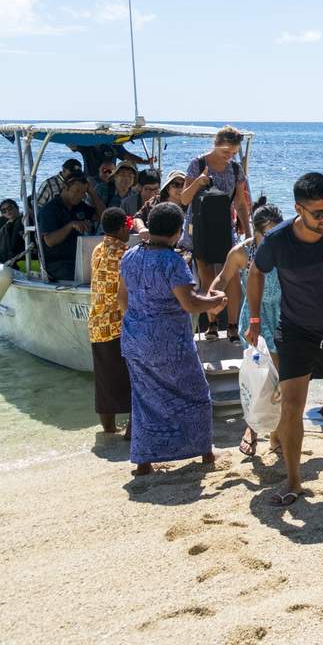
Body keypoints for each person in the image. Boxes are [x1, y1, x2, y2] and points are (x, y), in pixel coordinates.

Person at [245, 174, 323, 506]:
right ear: (299, 209)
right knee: (292, 405)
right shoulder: (278, 240)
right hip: (297, 331)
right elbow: (256, 272)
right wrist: (254, 319)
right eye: (318, 213)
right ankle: (293, 479)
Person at [117, 202, 227, 476]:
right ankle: (204, 452)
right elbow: (190, 303)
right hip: (169, 342)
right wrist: (215, 301)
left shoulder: (130, 256)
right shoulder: (173, 262)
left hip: (135, 338)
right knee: (196, 394)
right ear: (178, 232)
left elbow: (122, 300)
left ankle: (144, 462)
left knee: (145, 399)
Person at [210, 199, 285, 456]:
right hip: (254, 317)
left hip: (282, 315)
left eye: (276, 232)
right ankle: (252, 429)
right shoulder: (242, 253)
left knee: (278, 378)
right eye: (267, 234)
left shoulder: (286, 248)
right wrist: (213, 296)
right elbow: (223, 278)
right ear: (256, 231)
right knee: (258, 376)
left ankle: (274, 434)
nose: (272, 239)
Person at [180, 126, 252, 334]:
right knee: (207, 275)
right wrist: (198, 182)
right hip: (199, 226)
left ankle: (232, 326)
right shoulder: (198, 164)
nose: (229, 156)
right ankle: (212, 324)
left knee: (232, 275)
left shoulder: (236, 169)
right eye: (226, 151)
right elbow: (184, 199)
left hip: (224, 227)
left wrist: (248, 233)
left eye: (233, 153)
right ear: (216, 144)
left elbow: (240, 204)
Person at [89, 207, 133, 435]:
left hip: (97, 324)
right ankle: (132, 432)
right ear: (122, 228)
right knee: (133, 381)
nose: (130, 231)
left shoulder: (97, 249)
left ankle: (109, 431)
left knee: (105, 383)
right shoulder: (125, 254)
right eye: (128, 226)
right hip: (119, 325)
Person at [37, 174, 96, 281]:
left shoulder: (80, 206)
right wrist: (70, 226)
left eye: (83, 192)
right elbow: (50, 241)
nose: (80, 195)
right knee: (86, 276)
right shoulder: (49, 210)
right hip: (57, 263)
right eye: (77, 191)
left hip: (79, 259)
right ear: (65, 187)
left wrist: (93, 193)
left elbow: (104, 217)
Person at [0, 198, 26, 263]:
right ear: (2, 214)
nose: (8, 211)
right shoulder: (7, 226)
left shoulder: (24, 221)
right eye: (4, 211)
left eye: (10, 208)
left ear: (17, 208)